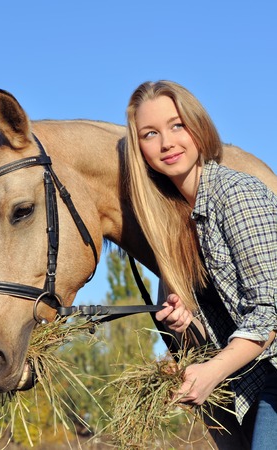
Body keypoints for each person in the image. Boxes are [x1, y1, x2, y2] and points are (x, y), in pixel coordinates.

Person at [125, 80, 277, 449]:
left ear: (198, 125)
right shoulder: (179, 221)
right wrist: (186, 323)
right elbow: (227, 321)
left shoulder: (236, 195)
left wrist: (213, 371)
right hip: (254, 384)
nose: (166, 143)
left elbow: (270, 311)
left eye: (177, 125)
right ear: (140, 149)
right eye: (150, 133)